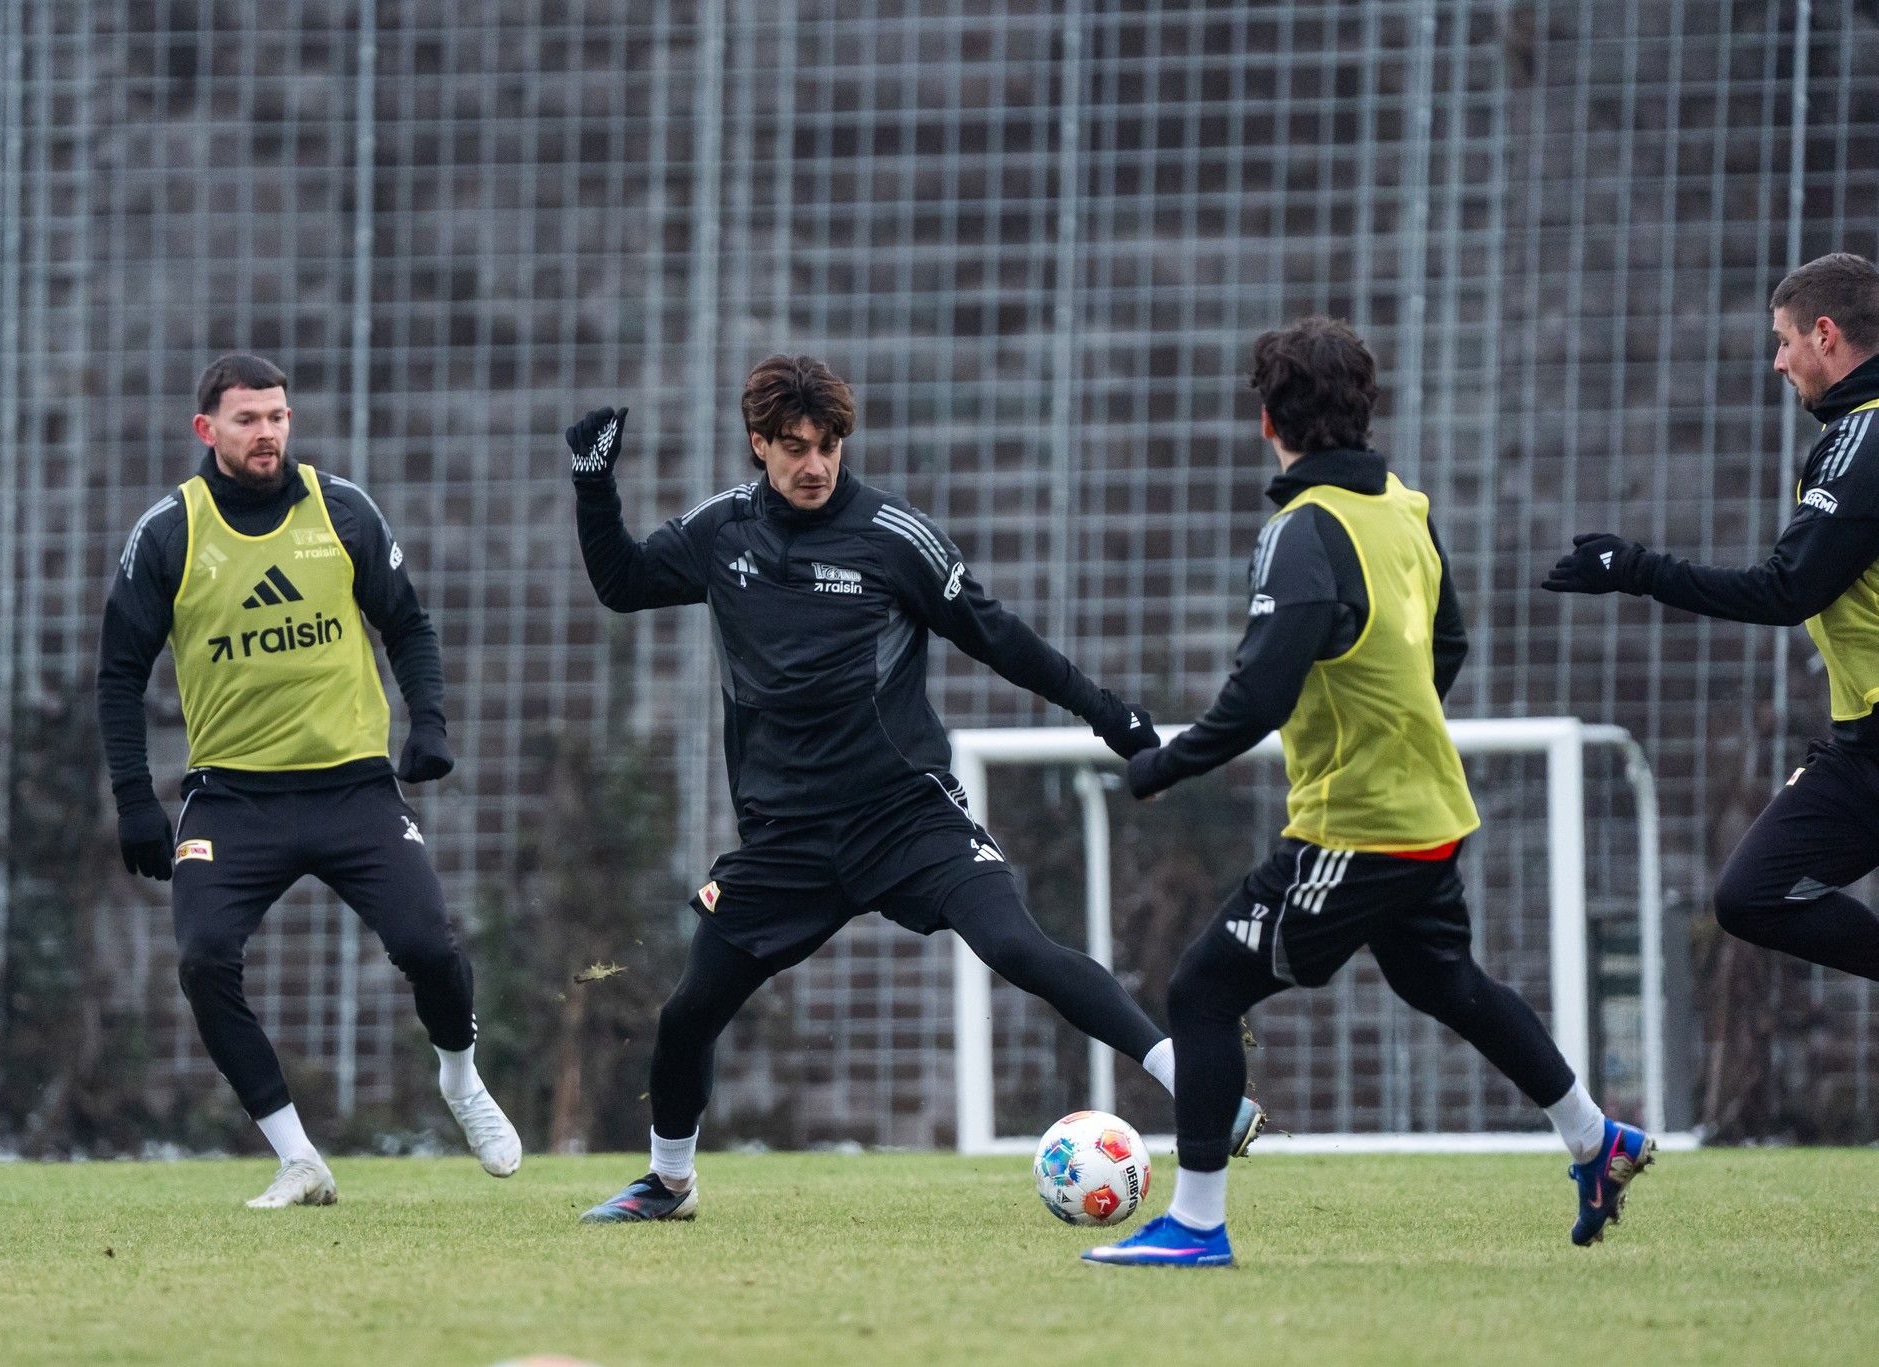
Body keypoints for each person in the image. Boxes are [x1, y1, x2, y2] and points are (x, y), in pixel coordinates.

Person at [567, 354, 1264, 1222]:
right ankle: (669, 1182)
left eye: (829, 446)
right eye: (794, 447)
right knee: (687, 1015)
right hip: (785, 838)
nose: (815, 465)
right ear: (759, 444)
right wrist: (593, 485)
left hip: (904, 815)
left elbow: (1001, 637)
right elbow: (622, 582)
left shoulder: (895, 536)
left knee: (1020, 948)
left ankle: (1192, 1083)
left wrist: (1110, 715)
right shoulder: (724, 533)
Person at [1085, 318, 1650, 1268]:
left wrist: (1161, 767)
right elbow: (1451, 646)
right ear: (1365, 408)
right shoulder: (1403, 504)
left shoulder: (1302, 532)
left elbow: (1261, 691)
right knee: (1445, 981)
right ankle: (1598, 1141)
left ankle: (1195, 1223)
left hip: (1362, 826)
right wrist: (1398, 730)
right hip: (1429, 811)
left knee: (1203, 988)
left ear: (1267, 419)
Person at [96, 353, 518, 1208]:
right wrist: (136, 801)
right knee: (205, 958)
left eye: (279, 416)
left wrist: (429, 724)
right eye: (248, 419)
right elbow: (116, 676)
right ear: (206, 429)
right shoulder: (170, 533)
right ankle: (298, 1156)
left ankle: (461, 1078)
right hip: (230, 797)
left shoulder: (343, 510)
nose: (268, 433)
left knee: (431, 945)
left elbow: (410, 626)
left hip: (351, 788)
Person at [1545, 252, 1879, 983]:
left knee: (1756, 893)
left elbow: (1785, 590)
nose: (1777, 362)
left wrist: (1632, 568)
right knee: (1750, 894)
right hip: (1860, 746)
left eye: (1785, 340)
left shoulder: (1863, 441)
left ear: (1825, 335)